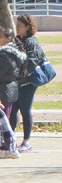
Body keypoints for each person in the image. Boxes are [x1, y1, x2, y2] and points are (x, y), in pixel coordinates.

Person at [10, 14, 45, 153]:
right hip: (16, 82)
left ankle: (26, 141)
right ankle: (12, 139)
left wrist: (18, 73)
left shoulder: (31, 42)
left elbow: (31, 63)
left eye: (20, 25)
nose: (17, 27)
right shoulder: (17, 40)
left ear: (28, 27)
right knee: (13, 111)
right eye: (16, 25)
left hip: (28, 83)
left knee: (25, 110)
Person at [0, 29, 26, 157]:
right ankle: (9, 146)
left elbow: (3, 72)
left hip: (5, 90)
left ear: (8, 38)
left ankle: (8, 147)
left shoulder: (4, 54)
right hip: (10, 88)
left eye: (0, 37)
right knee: (7, 119)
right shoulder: (14, 52)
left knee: (4, 121)